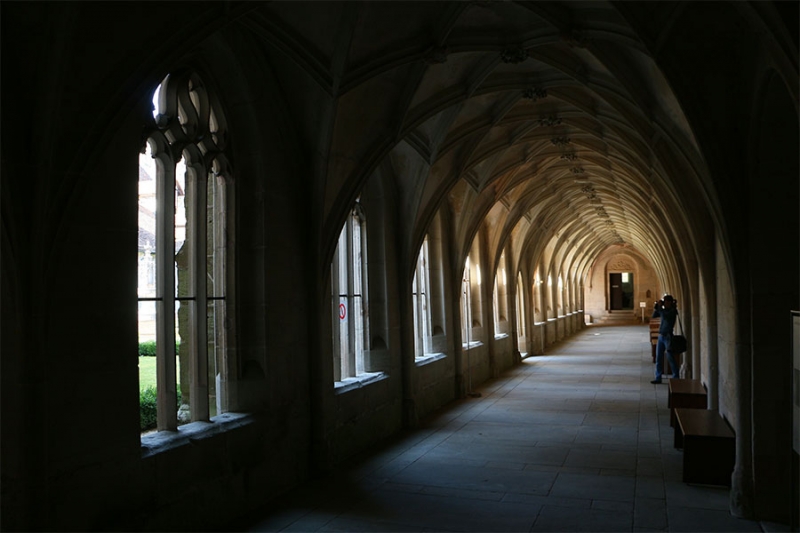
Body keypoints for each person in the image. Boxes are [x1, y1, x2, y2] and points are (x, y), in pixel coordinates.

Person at [650, 294, 678, 384]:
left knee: (670, 357)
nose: (665, 304)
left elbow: (665, 317)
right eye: (664, 302)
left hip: (668, 337)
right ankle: (658, 377)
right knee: (659, 357)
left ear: (669, 302)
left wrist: (660, 308)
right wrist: (656, 307)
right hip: (661, 336)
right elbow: (654, 315)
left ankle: (676, 377)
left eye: (666, 302)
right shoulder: (664, 310)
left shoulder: (672, 311)